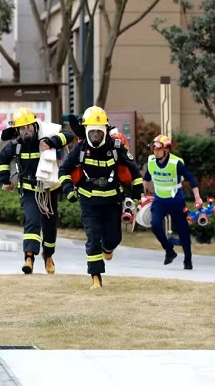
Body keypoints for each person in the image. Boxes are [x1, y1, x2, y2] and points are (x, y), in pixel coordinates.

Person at [59, 106, 143, 289]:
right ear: (86, 131)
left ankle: (108, 248)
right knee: (93, 238)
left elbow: (133, 169)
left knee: (114, 239)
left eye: (99, 131)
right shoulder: (80, 149)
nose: (95, 135)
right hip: (88, 203)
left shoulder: (116, 147)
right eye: (92, 131)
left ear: (105, 129)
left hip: (112, 201)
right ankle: (95, 278)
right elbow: (64, 170)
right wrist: (68, 190)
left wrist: (137, 192)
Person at [0, 107, 75, 275]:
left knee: (49, 225)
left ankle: (48, 257)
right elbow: (3, 158)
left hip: (49, 190)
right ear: (17, 130)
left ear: (35, 125)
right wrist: (6, 180)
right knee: (32, 221)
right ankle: (29, 258)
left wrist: (51, 142)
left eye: (29, 127)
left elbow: (69, 136)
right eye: (23, 128)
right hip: (28, 190)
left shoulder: (45, 136)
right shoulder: (15, 145)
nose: (27, 131)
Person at [143, 134, 202, 269]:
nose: (155, 151)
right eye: (153, 148)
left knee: (183, 230)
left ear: (166, 150)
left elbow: (191, 180)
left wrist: (197, 198)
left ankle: (188, 260)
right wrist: (142, 194)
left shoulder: (176, 163)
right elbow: (146, 178)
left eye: (158, 148)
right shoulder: (151, 161)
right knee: (156, 225)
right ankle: (169, 250)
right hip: (159, 201)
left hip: (176, 201)